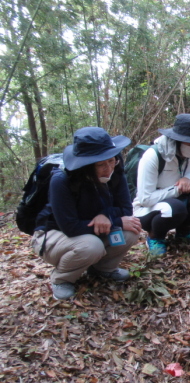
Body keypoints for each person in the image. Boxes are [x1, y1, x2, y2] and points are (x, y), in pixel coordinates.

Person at [32, 127, 141, 300]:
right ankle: (61, 279)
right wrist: (114, 222)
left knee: (131, 228)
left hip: (90, 228)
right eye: (100, 165)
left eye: (111, 161)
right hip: (54, 234)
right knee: (91, 246)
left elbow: (126, 210)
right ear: (86, 166)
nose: (108, 168)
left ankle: (102, 269)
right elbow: (70, 227)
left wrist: (106, 215)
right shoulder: (62, 180)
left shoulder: (116, 169)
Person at [133, 114, 190, 256]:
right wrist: (178, 189)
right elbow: (145, 199)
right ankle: (155, 237)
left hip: (179, 202)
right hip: (149, 209)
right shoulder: (153, 156)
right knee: (175, 208)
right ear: (177, 140)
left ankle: (186, 232)